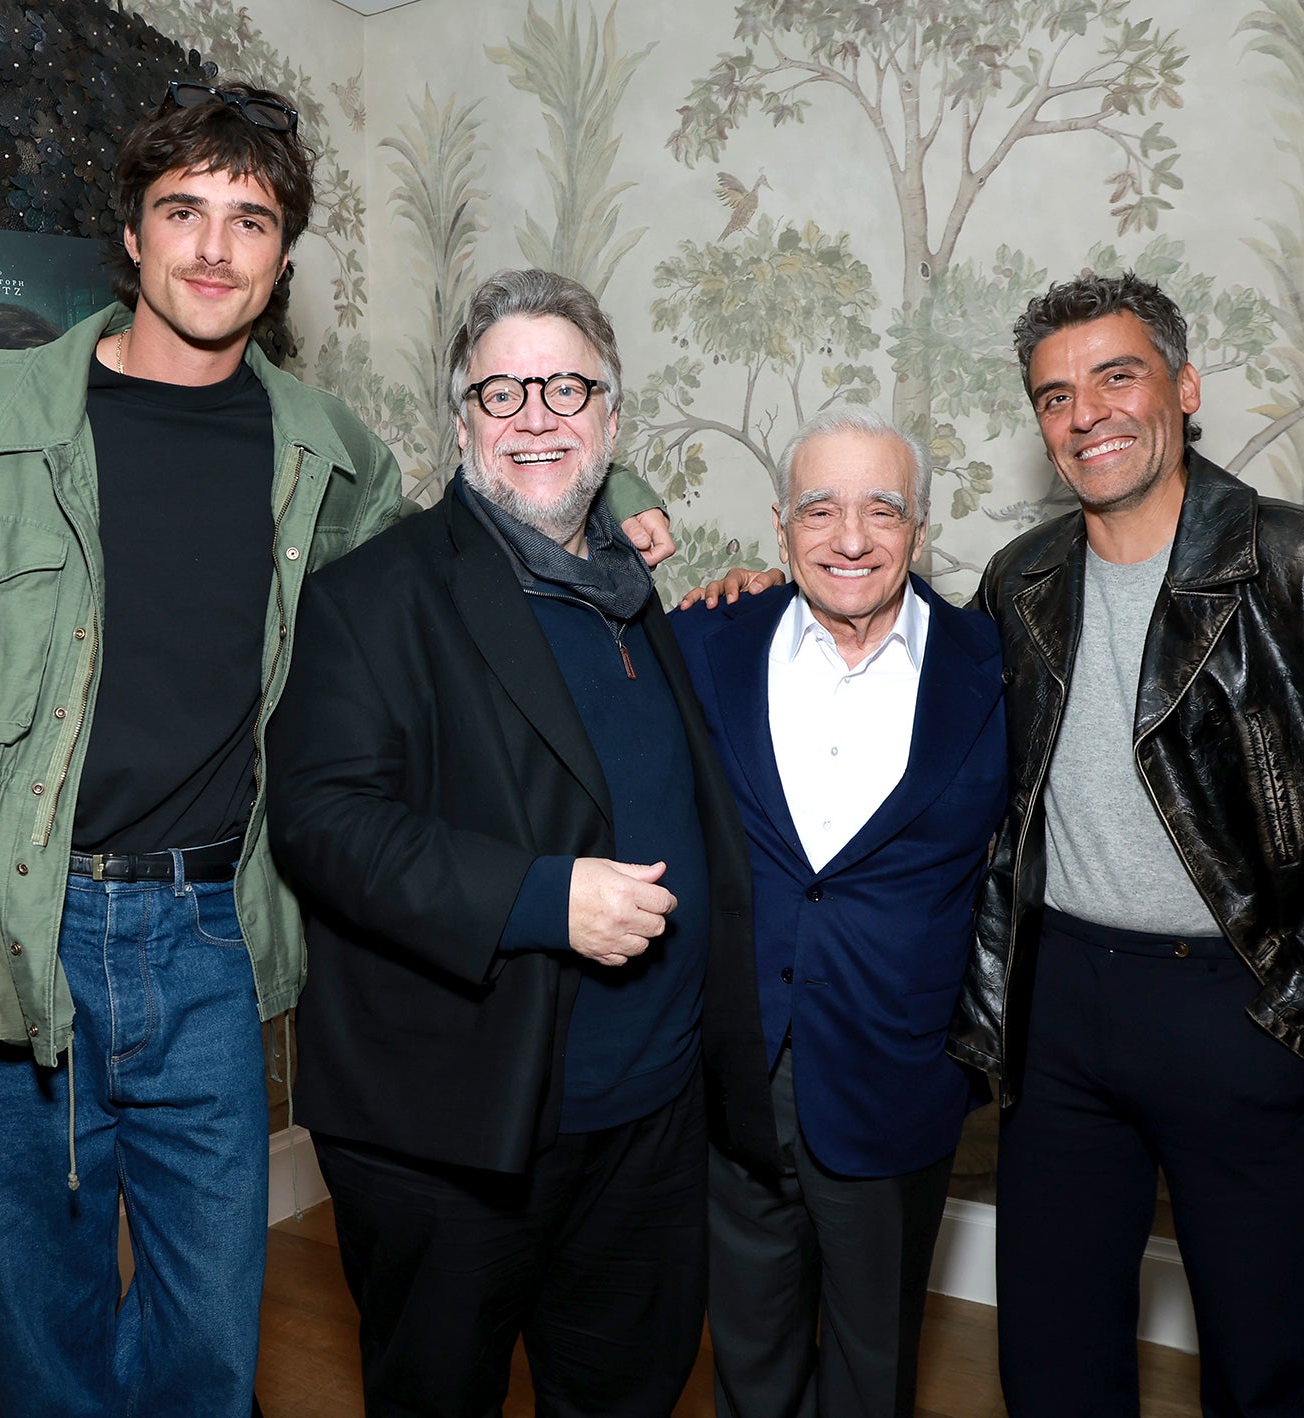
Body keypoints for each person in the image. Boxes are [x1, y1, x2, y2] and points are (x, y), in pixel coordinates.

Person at [0, 86, 671, 1418]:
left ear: (280, 257)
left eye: (249, 219)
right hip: (21, 926)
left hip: (215, 939)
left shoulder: (329, 454)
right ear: (135, 237)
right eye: (184, 212)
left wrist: (612, 511)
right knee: (48, 1335)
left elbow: (458, 571)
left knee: (210, 1340)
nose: (215, 247)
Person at [953, 271, 1304, 1415]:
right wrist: (770, 602)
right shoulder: (1020, 581)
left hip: (1244, 1005)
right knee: (1049, 1360)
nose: (1084, 411)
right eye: (1053, 394)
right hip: (1056, 1016)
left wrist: (1302, 1004)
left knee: (1271, 1364)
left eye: (1116, 375)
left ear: (1182, 387)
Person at [263, 268, 770, 1418]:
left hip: (646, 1123)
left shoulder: (631, 587)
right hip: (457, 1132)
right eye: (502, 394)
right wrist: (541, 897)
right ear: (459, 422)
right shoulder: (371, 597)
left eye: (564, 388)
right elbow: (321, 819)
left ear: (609, 417)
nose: (534, 416)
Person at [670, 406, 1005, 1418]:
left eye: (880, 509)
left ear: (919, 523)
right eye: (819, 508)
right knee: (750, 1347)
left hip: (895, 1072)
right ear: (779, 525)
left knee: (873, 1361)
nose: (848, 537)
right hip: (736, 1066)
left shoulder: (994, 668)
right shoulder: (698, 644)